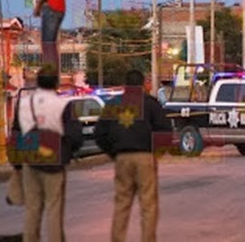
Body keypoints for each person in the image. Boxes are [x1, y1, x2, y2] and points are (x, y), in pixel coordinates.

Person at [94, 70, 173, 242]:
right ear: (143, 84)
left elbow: (100, 133)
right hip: (145, 157)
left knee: (122, 204)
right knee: (148, 206)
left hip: (122, 157)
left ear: (125, 85)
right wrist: (155, 154)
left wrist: (114, 153)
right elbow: (166, 131)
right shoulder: (150, 103)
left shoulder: (113, 104)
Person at [14, 64, 82, 242]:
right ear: (56, 83)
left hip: (31, 159)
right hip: (55, 160)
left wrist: (17, 164)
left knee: (32, 209)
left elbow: (16, 133)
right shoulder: (63, 104)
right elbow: (75, 136)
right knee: (54, 209)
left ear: (37, 83)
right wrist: (67, 152)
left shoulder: (24, 103)